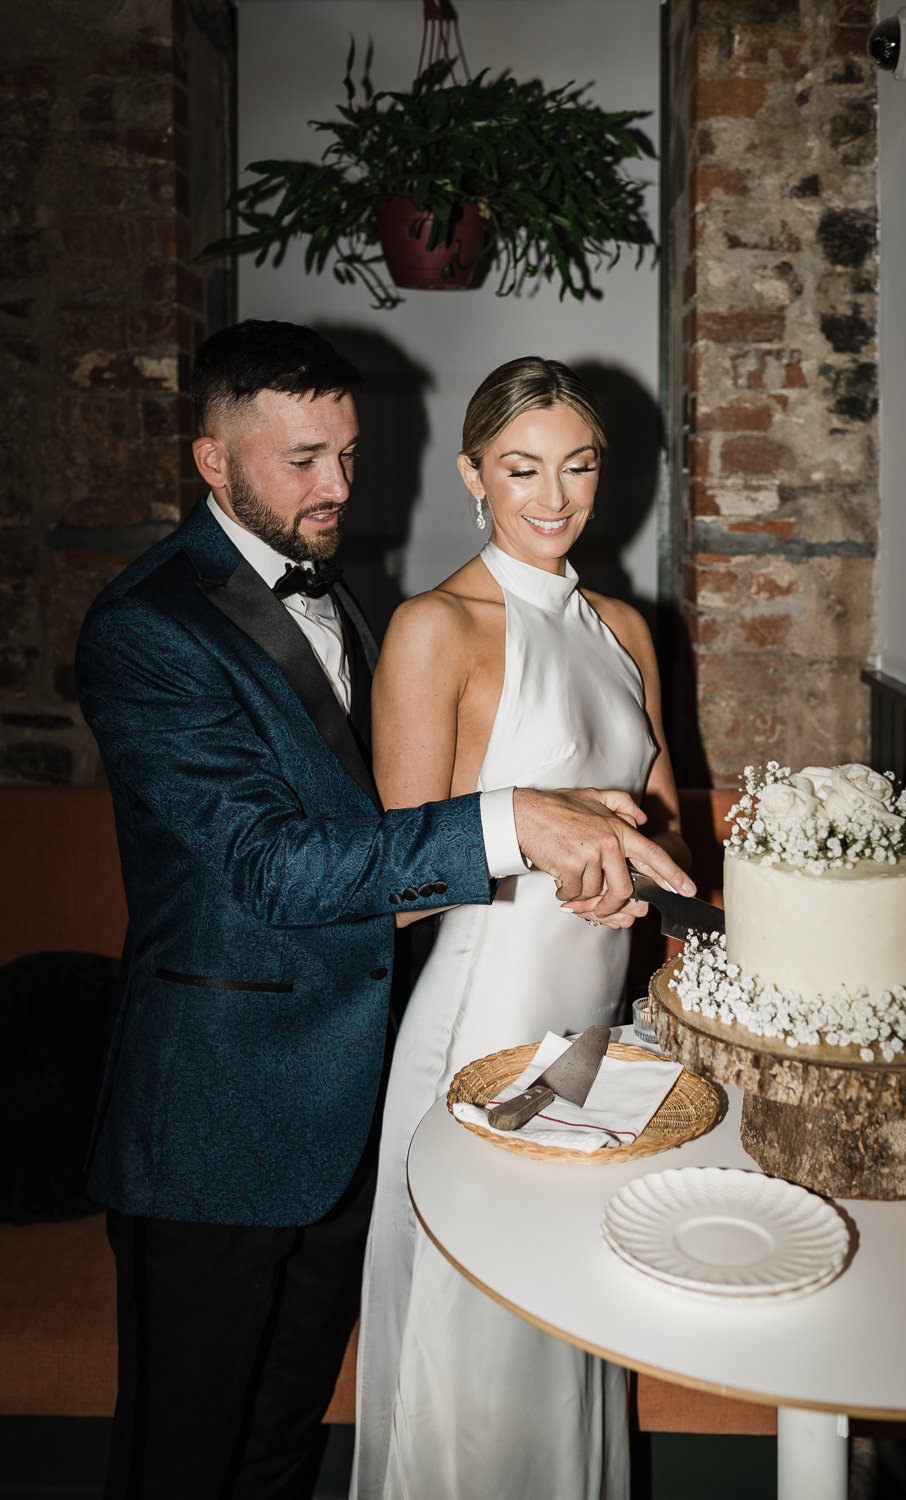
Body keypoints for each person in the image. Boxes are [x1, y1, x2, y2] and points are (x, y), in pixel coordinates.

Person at [73, 322, 694, 1500]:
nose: (337, 488)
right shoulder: (147, 627)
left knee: (280, 1441)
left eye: (350, 455)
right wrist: (523, 822)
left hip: (354, 1094)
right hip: (218, 1111)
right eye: (301, 460)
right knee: (180, 1459)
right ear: (212, 462)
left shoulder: (343, 596)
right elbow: (272, 865)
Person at [350, 356, 689, 1500]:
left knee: (567, 1319)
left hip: (591, 1027)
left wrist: (632, 879)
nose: (552, 497)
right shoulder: (433, 627)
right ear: (471, 476)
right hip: (482, 1016)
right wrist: (547, 839)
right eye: (520, 468)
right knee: (478, 1340)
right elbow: (400, 878)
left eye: (578, 467)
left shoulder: (626, 629)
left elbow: (668, 837)